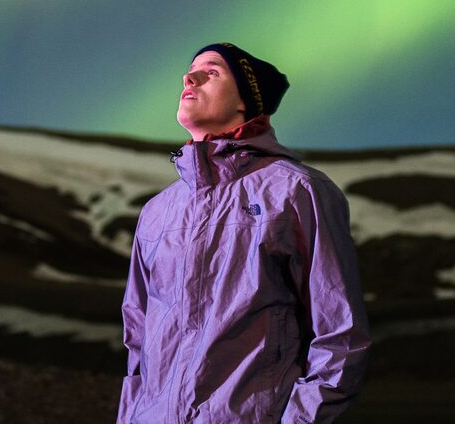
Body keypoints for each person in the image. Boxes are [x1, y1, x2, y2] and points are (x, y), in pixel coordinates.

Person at [118, 43, 370, 423]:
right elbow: (137, 338)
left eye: (213, 71)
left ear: (245, 103)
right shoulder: (157, 212)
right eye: (190, 70)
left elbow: (340, 334)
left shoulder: (297, 192)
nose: (190, 78)